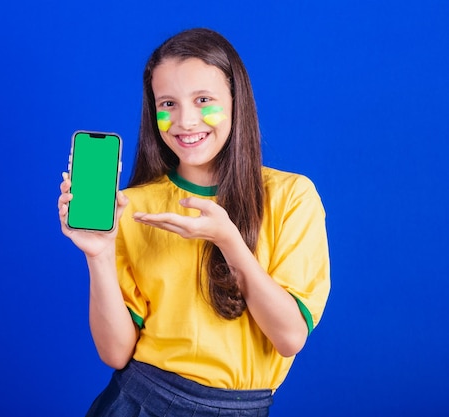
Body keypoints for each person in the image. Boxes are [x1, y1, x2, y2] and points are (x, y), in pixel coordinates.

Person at [57, 27, 330, 417]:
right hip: (136, 402)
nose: (185, 120)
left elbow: (289, 337)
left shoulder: (292, 197)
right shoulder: (134, 206)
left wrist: (229, 242)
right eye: (167, 103)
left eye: (203, 100)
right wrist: (98, 255)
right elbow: (115, 353)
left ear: (237, 101)